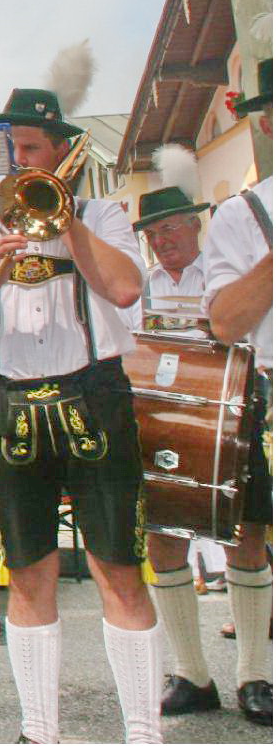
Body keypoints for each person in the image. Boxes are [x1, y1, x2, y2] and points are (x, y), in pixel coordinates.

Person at [0, 84, 154, 743]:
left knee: (118, 567)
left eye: (30, 148)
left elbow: (123, 289)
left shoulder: (101, 213)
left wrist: (66, 222)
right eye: (10, 151)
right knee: (28, 572)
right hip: (9, 401)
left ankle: (143, 731)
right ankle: (39, 729)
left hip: (93, 393)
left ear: (61, 152)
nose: (19, 161)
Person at [127, 182, 265, 720]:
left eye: (170, 228)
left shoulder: (224, 269)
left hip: (232, 418)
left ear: (195, 225)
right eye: (153, 233)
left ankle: (255, 675)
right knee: (164, 539)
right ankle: (191, 675)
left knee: (246, 535)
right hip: (163, 424)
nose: (162, 240)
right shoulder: (141, 286)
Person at [200, 58, 273, 727]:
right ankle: (255, 672)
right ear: (266, 122)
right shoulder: (242, 213)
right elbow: (224, 322)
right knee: (250, 534)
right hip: (269, 389)